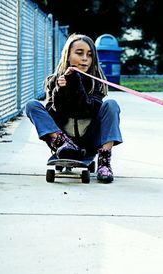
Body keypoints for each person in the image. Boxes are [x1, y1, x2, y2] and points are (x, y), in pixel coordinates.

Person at [25, 33, 122, 183]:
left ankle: (104, 161)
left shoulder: (97, 82)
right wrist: (59, 90)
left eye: (89, 55)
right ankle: (62, 143)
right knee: (32, 105)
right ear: (68, 56)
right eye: (79, 53)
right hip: (64, 138)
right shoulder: (54, 81)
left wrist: (76, 81)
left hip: (89, 139)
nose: (85, 58)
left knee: (112, 105)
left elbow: (87, 110)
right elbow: (55, 114)